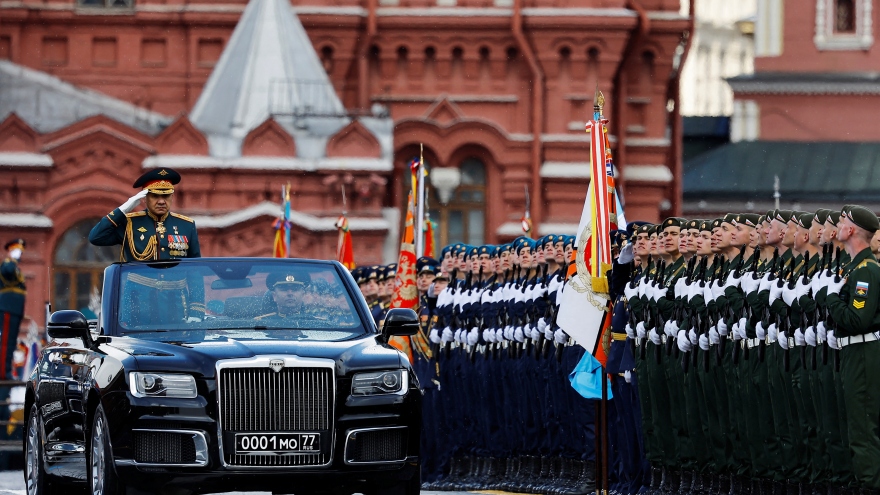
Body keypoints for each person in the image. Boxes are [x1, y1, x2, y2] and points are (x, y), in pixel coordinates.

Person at [819, 205, 880, 492]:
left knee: (863, 429)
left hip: (864, 353)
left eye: (843, 221)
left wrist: (832, 299)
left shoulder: (866, 271)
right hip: (854, 352)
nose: (839, 225)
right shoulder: (853, 267)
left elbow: (858, 319)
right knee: (855, 426)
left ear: (852, 230)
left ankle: (869, 486)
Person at [89, 168, 200, 261]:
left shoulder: (186, 225)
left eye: (166, 196)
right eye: (155, 196)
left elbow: (195, 267)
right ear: (145, 199)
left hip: (175, 287)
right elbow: (96, 237)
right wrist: (123, 210)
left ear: (172, 197)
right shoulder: (129, 223)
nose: (161, 201)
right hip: (139, 287)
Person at [0, 239, 26, 380]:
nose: (20, 253)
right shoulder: (8, 264)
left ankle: (6, 370)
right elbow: (7, 271)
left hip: (15, 309)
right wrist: (12, 259)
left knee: (10, 342)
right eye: (17, 250)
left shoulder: (15, 267)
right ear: (10, 251)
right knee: (5, 342)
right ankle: (3, 372)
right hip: (8, 307)